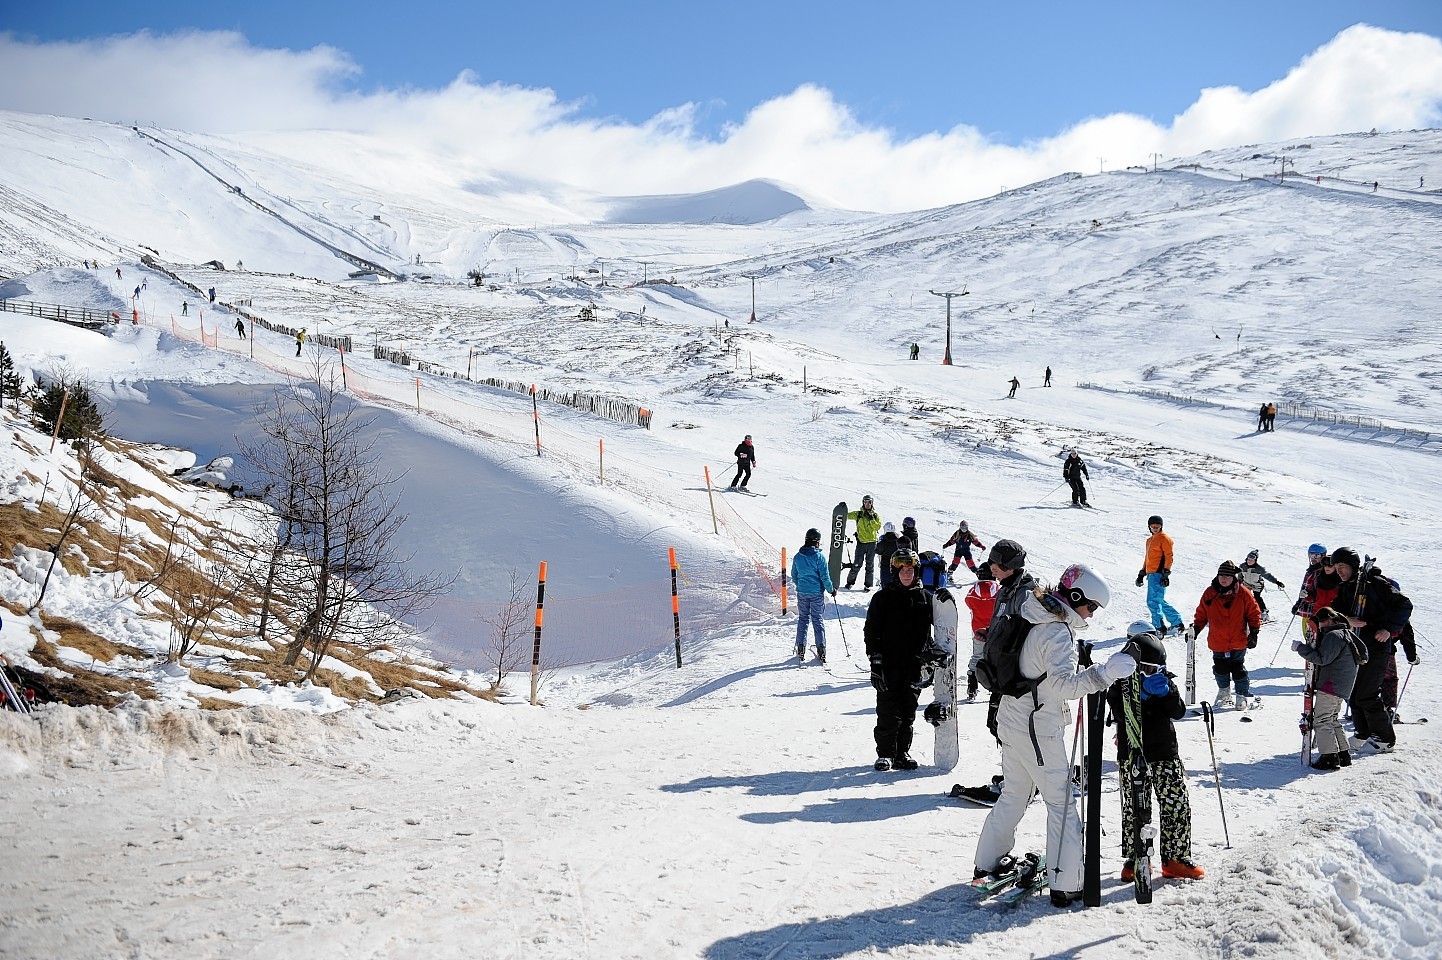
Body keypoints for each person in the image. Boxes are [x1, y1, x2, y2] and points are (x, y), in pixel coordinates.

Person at [973, 563, 1135, 908]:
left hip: (1013, 718)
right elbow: (1062, 686)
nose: (1091, 615)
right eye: (1091, 606)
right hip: (1037, 729)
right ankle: (1067, 881)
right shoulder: (1057, 632)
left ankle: (986, 861)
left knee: (1015, 794)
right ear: (1075, 597)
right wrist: (1103, 674)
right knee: (1061, 803)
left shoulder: (1032, 611)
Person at [1108, 622, 1204, 880]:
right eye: (1144, 670)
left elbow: (1179, 711)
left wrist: (1165, 693)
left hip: (1164, 752)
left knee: (1175, 804)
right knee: (1135, 807)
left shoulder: (1163, 684)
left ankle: (1175, 857)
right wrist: (1138, 697)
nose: (1149, 675)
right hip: (1133, 754)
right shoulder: (1119, 686)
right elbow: (1117, 713)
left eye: (1154, 670)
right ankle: (1136, 857)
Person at [1330, 547, 1412, 754]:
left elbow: (1404, 605)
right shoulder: (1346, 587)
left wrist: (1389, 629)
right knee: (1354, 693)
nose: (1339, 571)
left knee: (1367, 694)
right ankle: (1363, 733)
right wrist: (1346, 620)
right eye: (1336, 567)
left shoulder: (1375, 584)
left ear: (1352, 565)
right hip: (1354, 646)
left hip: (1375, 647)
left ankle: (1385, 739)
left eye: (1342, 567)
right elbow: (1334, 612)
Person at [865, 549, 933, 772]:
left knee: (908, 711)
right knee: (887, 710)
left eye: (911, 570)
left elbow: (940, 630)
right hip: (888, 664)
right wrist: (875, 662)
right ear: (895, 572)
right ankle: (885, 754)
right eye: (903, 570)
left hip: (914, 664)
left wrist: (931, 659)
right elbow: (871, 631)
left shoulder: (925, 598)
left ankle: (902, 752)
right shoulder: (882, 598)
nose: (907, 574)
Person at [1293, 606, 1364, 770]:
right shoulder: (1347, 633)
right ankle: (1343, 754)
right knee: (1331, 719)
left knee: (1322, 720)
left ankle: (1329, 757)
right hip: (1342, 686)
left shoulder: (1334, 636)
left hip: (1331, 685)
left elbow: (1321, 658)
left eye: (1322, 623)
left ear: (1328, 621)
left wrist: (1300, 648)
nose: (1322, 627)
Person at [1191, 560, 1263, 710]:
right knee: (1220, 668)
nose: (1224, 579)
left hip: (1238, 639)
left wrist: (1254, 632)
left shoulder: (1243, 593)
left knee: (1238, 668)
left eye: (1228, 576)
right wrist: (1197, 628)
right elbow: (1202, 613)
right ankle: (1224, 693)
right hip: (1218, 640)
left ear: (1234, 578)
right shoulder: (1210, 593)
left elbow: (1254, 612)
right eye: (1221, 575)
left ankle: (1241, 695)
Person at [790, 528, 836, 663]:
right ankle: (821, 649)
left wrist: (800, 585)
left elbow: (794, 575)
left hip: (802, 592)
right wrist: (831, 589)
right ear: (816, 542)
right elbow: (825, 577)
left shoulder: (798, 556)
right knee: (817, 619)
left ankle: (801, 647)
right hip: (816, 593)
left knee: (803, 619)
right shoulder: (819, 557)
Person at [1136, 515, 1184, 635]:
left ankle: (1158, 627)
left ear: (1161, 526)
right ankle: (1177, 622)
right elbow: (1148, 558)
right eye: (1153, 527)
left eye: (1158, 526)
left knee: (1153, 601)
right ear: (1149, 527)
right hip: (1151, 573)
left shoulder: (1164, 538)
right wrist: (1142, 573)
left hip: (1159, 573)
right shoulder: (1149, 540)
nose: (1155, 529)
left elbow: (1169, 556)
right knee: (1159, 601)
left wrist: (1165, 573)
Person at [963, 564, 999, 701]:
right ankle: (995, 690)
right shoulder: (997, 589)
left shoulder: (974, 590)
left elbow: (968, 602)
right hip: (995, 629)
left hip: (978, 629)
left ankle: (972, 688)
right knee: (996, 658)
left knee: (977, 656)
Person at [844, 496, 883, 590]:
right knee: (857, 563)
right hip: (861, 543)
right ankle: (850, 582)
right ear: (863, 503)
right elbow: (846, 516)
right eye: (865, 502)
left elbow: (877, 527)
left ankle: (868, 585)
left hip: (872, 543)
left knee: (870, 565)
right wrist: (842, 510)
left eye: (869, 502)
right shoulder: (858, 514)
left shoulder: (875, 515)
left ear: (872, 503)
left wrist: (871, 519)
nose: (867, 504)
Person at [1292, 544, 1329, 639]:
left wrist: (1308, 596)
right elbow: (1304, 589)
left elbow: (1321, 595)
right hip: (1307, 612)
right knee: (1308, 637)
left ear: (1323, 556)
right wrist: (1298, 604)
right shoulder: (1311, 571)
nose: (1313, 558)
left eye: (1317, 555)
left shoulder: (1323, 572)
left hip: (1315, 614)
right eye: (1311, 555)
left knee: (1313, 639)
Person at [1236, 550, 1285, 621]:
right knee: (1245, 597)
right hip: (1247, 584)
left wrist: (1277, 582)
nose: (1249, 561)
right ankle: (1246, 612)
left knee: (1257, 597)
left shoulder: (1259, 569)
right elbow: (1240, 576)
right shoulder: (1242, 566)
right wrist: (1238, 583)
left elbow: (1268, 576)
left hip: (1257, 585)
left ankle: (1264, 612)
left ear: (1255, 561)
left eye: (1252, 560)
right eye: (1248, 559)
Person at [876, 521, 901, 588]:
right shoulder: (898, 539)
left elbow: (878, 550)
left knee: (885, 579)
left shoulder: (883, 539)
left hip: (885, 562)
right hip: (897, 562)